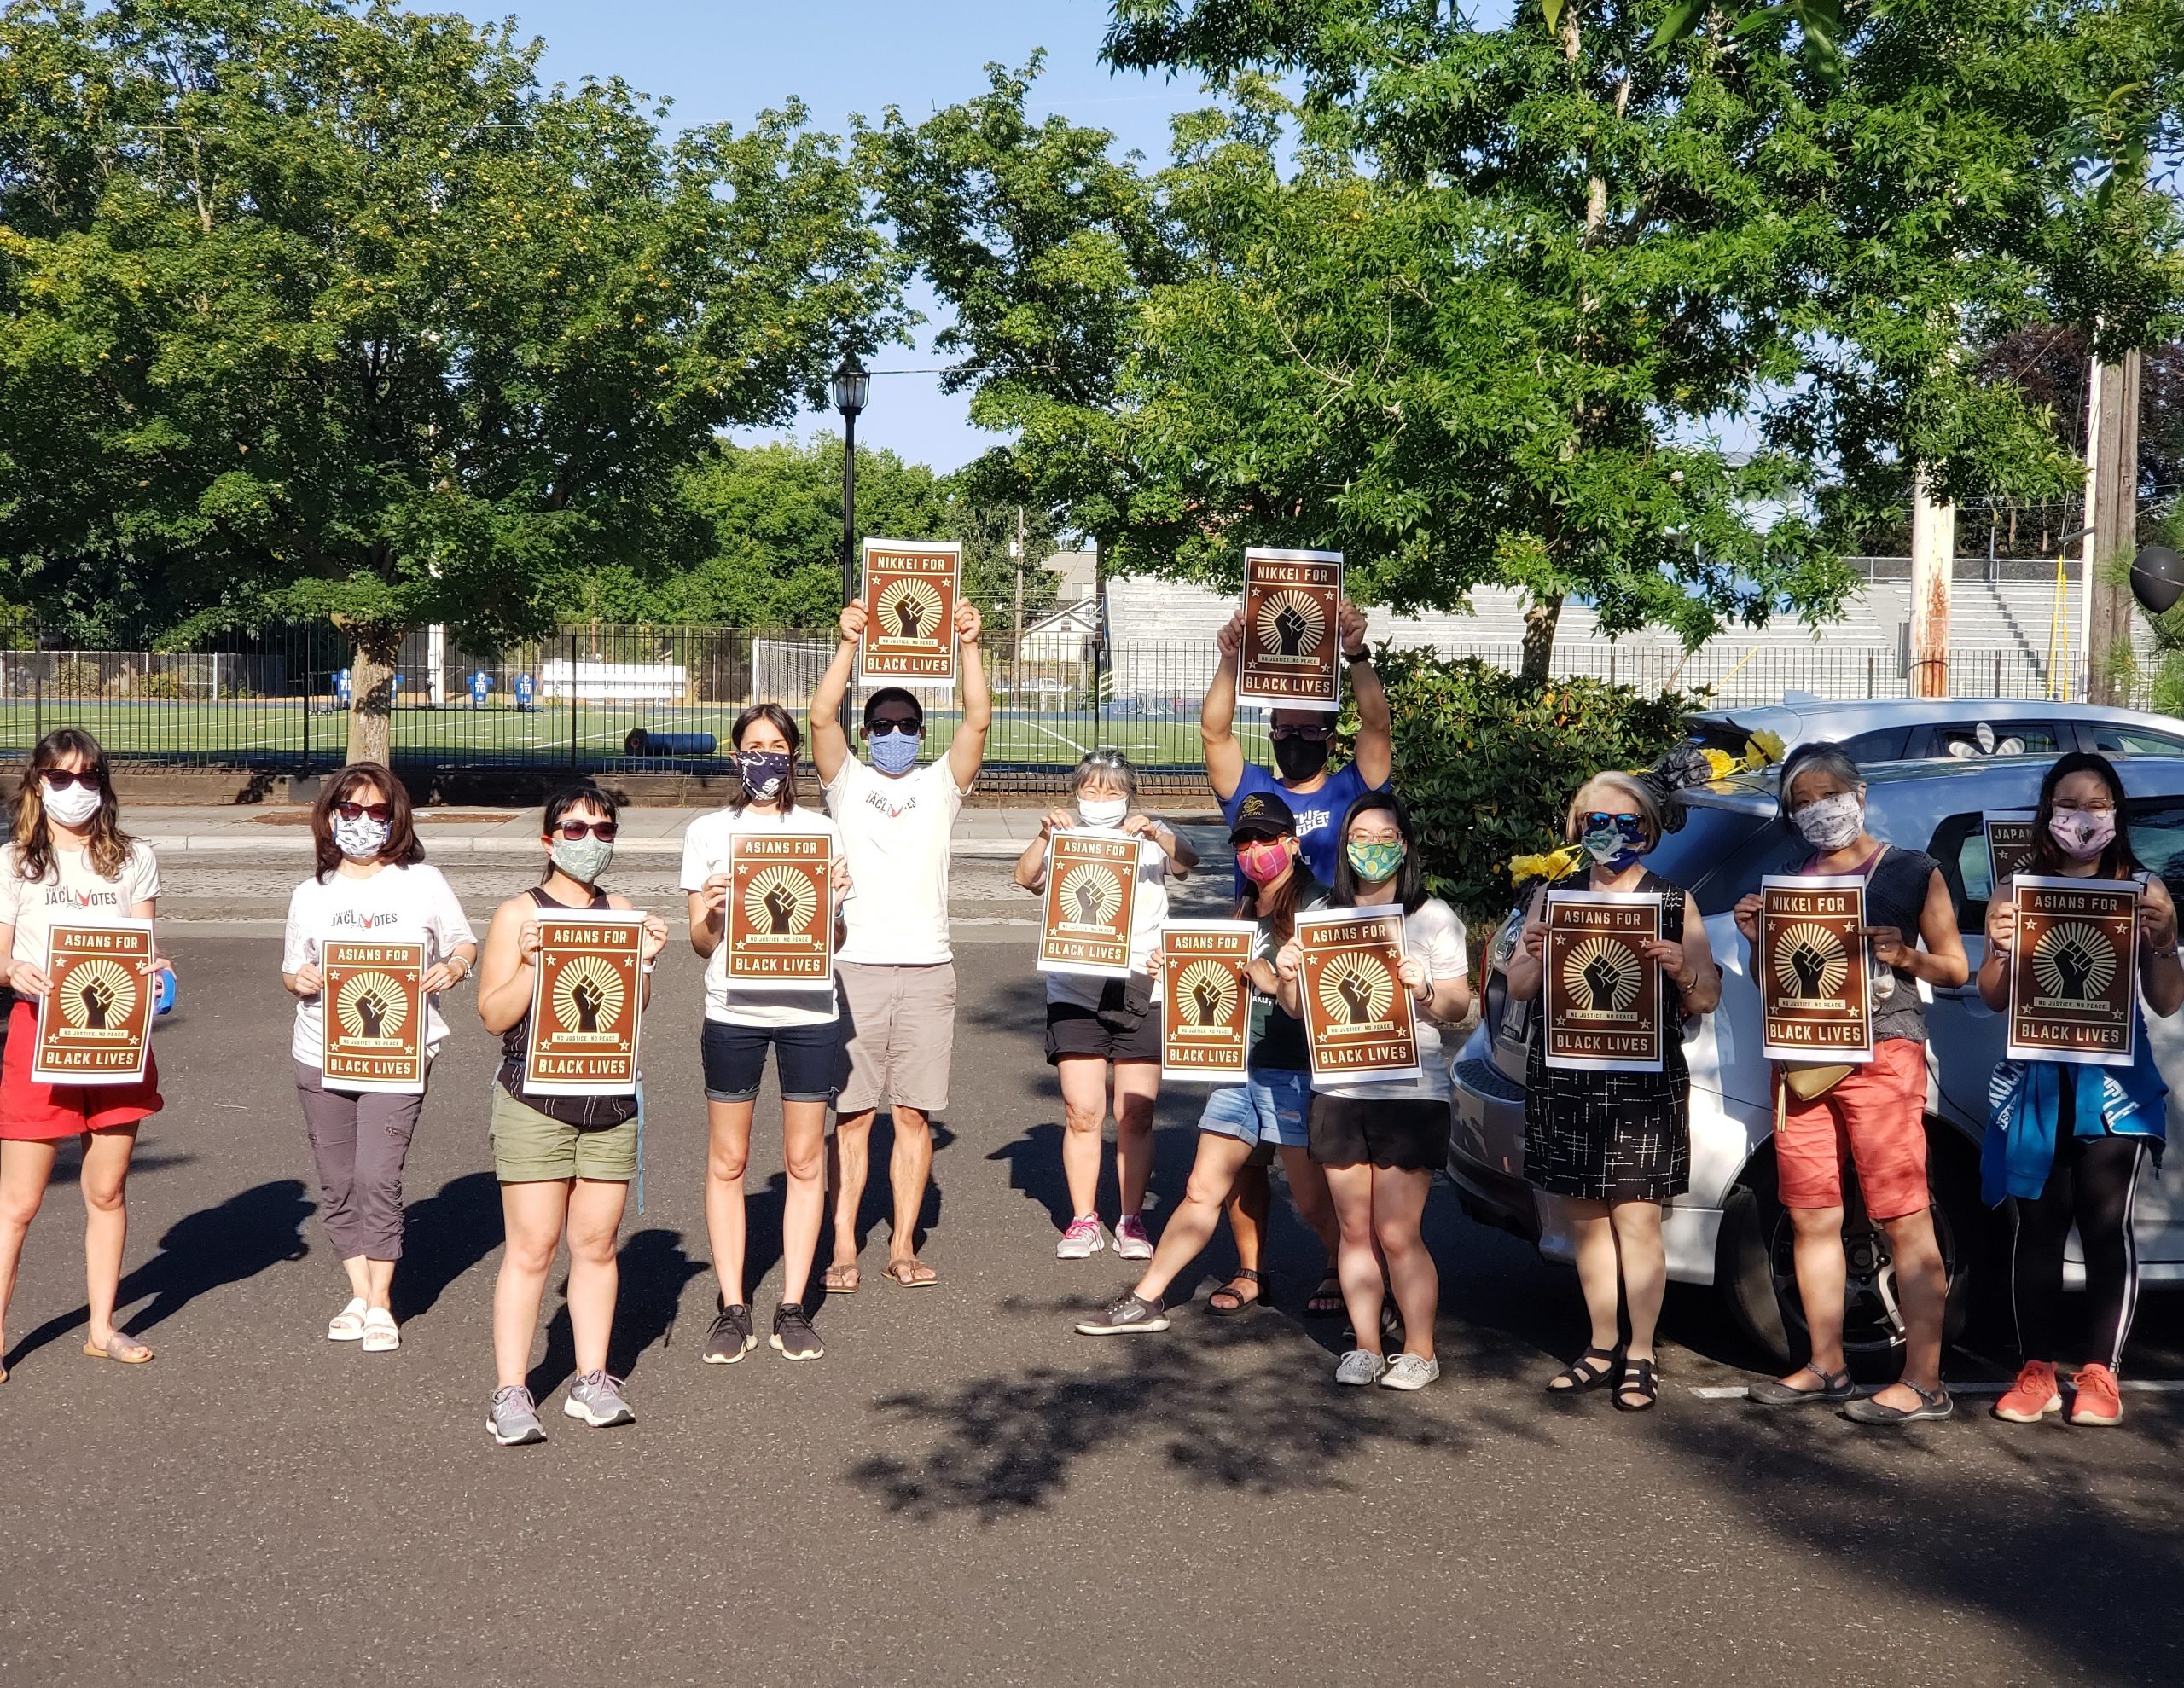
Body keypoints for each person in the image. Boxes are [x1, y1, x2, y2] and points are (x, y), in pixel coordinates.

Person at [1731, 741, 1967, 1423]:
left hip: (1883, 1056)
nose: (1818, 810)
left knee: (1902, 1215)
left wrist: (1904, 953)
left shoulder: (1909, 871)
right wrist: (1754, 937)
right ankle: (1825, 1364)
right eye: (1801, 802)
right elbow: (1770, 982)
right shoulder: (1788, 877)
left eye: (1829, 795)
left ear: (1859, 795)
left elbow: (1953, 968)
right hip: (1802, 1061)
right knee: (1810, 1215)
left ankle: (1925, 1381)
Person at [1075, 791, 1339, 1334]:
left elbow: (1329, 1000)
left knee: (1313, 1203)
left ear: (1292, 843)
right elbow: (1215, 984)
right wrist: (1174, 966)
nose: (1254, 849)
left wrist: (1271, 979)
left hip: (1294, 1070)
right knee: (1202, 1188)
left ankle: (1364, 1281)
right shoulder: (1245, 909)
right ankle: (1147, 1298)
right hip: (1238, 1069)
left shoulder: (1320, 906)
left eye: (1266, 838)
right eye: (1244, 841)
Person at [1507, 771, 1721, 1412]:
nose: (1610, 834)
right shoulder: (1554, 894)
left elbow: (1708, 995)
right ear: (1577, 827)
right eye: (1596, 821)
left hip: (1642, 1083)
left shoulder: (1673, 901)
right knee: (1586, 1221)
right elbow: (1518, 986)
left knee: (1637, 1218)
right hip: (1567, 1078)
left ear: (1648, 831)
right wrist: (1535, 954)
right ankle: (1600, 1344)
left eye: (1626, 823)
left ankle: (1642, 1352)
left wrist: (1685, 971)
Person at [1201, 595, 1391, 1316]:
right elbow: (1215, 729)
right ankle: (1250, 1269)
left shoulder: (1352, 789)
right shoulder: (1253, 794)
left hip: (1335, 990)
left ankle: (1346, 1267)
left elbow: (1377, 724)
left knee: (1324, 1155)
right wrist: (1230, 654)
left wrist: (1355, 653)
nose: (1295, 737)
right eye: (1284, 728)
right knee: (1245, 1145)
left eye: (1309, 727)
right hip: (1256, 984)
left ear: (1328, 732)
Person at [1980, 752, 2181, 1429]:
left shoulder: (2144, 888)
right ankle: (2035, 1368)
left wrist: (2166, 941)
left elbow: (2168, 1000)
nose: (2084, 819)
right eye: (2070, 805)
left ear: (2117, 814)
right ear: (2048, 813)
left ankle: (2101, 1372)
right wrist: (2003, 947)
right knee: (2036, 1227)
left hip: (2116, 1086)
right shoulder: (2016, 891)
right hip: (2035, 1079)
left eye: (2098, 805)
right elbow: (1990, 994)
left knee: (2103, 1225)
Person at [474, 784, 670, 1446]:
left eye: (604, 829)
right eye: (576, 827)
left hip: (609, 1099)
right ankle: (510, 1390)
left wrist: (645, 963)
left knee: (596, 1244)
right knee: (532, 1247)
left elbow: (628, 1013)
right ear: (548, 838)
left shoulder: (621, 909)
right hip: (535, 1097)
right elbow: (494, 1014)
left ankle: (591, 1378)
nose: (591, 840)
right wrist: (533, 962)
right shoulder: (517, 913)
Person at [810, 596, 990, 1292]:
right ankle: (844, 1245)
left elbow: (978, 718)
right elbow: (821, 718)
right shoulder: (847, 782)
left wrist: (970, 645)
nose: (894, 734)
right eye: (882, 724)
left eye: (907, 725)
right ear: (867, 730)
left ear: (921, 732)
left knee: (913, 1114)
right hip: (854, 966)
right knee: (852, 1116)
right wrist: (849, 641)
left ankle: (904, 1243)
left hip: (927, 967)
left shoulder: (940, 784)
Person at [1275, 792, 1469, 1389]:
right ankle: (1363, 1344)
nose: (1373, 848)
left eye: (1386, 837)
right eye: (1361, 836)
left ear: (1404, 845)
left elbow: (1459, 1007)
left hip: (1412, 1092)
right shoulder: (1322, 916)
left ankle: (1419, 1348)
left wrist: (1426, 989)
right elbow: (1297, 1010)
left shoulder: (1433, 917)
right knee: (1353, 1228)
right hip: (1339, 1088)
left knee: (1396, 1230)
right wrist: (1287, 974)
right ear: (1345, 844)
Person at [281, 763, 477, 1354]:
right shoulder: (310, 894)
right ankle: (360, 1291)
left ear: (395, 818)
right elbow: (292, 968)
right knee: (337, 1179)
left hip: (398, 1050)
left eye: (377, 812)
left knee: (377, 1174)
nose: (363, 823)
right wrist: (301, 978)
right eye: (351, 811)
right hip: (321, 1049)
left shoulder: (422, 882)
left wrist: (454, 966)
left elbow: (464, 940)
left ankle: (384, 1301)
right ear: (331, 816)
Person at [682, 703, 850, 1364]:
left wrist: (832, 902)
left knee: (806, 1160)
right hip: (734, 1009)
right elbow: (699, 942)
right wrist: (716, 911)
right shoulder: (707, 832)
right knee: (728, 1159)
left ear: (794, 756)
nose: (766, 758)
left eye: (778, 747)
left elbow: (834, 940)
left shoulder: (822, 832)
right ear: (735, 755)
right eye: (755, 746)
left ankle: (792, 1301)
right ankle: (732, 1304)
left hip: (809, 1011)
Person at [0, 730, 167, 1379]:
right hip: (38, 1040)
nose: (77, 789)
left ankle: (102, 1327)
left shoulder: (134, 858)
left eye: (89, 775)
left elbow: (145, 946)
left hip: (114, 1044)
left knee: (107, 1189)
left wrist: (158, 973)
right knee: (18, 1203)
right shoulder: (16, 862)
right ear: (37, 783)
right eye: (61, 776)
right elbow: (1, 952)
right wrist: (16, 971)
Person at [1014, 748, 1198, 1258]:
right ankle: (1083, 1219)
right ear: (1076, 793)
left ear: (1129, 795)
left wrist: (1158, 831)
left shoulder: (1147, 838)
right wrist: (1045, 836)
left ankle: (1132, 1220)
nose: (1101, 799)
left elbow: (1189, 864)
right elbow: (1026, 879)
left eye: (1113, 790)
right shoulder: (1065, 838)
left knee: (1136, 1114)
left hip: (1145, 985)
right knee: (1081, 1109)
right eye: (1091, 790)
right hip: (1075, 989)